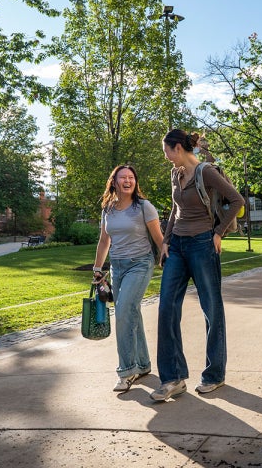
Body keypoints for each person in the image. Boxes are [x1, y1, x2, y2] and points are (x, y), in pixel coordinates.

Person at [150, 129, 245, 401]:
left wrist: (218, 233)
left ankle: (214, 374)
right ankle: (172, 378)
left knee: (211, 310)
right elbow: (175, 210)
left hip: (203, 245)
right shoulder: (175, 174)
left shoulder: (206, 173)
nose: (166, 156)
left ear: (177, 148)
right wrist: (166, 241)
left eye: (166, 150)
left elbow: (237, 201)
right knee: (167, 307)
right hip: (177, 246)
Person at [93, 165, 163, 393]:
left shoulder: (144, 207)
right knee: (132, 311)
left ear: (135, 182)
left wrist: (167, 257)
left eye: (131, 177)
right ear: (113, 182)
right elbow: (105, 241)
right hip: (117, 267)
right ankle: (143, 365)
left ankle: (126, 371)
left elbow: (159, 238)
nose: (127, 180)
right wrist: (97, 268)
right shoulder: (108, 209)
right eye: (122, 177)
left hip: (140, 264)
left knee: (123, 311)